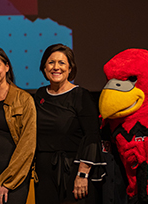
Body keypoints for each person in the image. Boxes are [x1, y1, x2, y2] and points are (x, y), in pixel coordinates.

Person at [34, 43, 106, 204]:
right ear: (44, 67)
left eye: (62, 63)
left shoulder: (81, 96)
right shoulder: (39, 95)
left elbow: (92, 137)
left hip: (73, 171)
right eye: (51, 62)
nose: (56, 67)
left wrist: (82, 174)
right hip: (44, 175)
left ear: (70, 68)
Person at [0, 47, 36, 204]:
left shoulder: (24, 99)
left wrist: (8, 182)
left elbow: (27, 145)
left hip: (14, 178)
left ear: (7, 67)